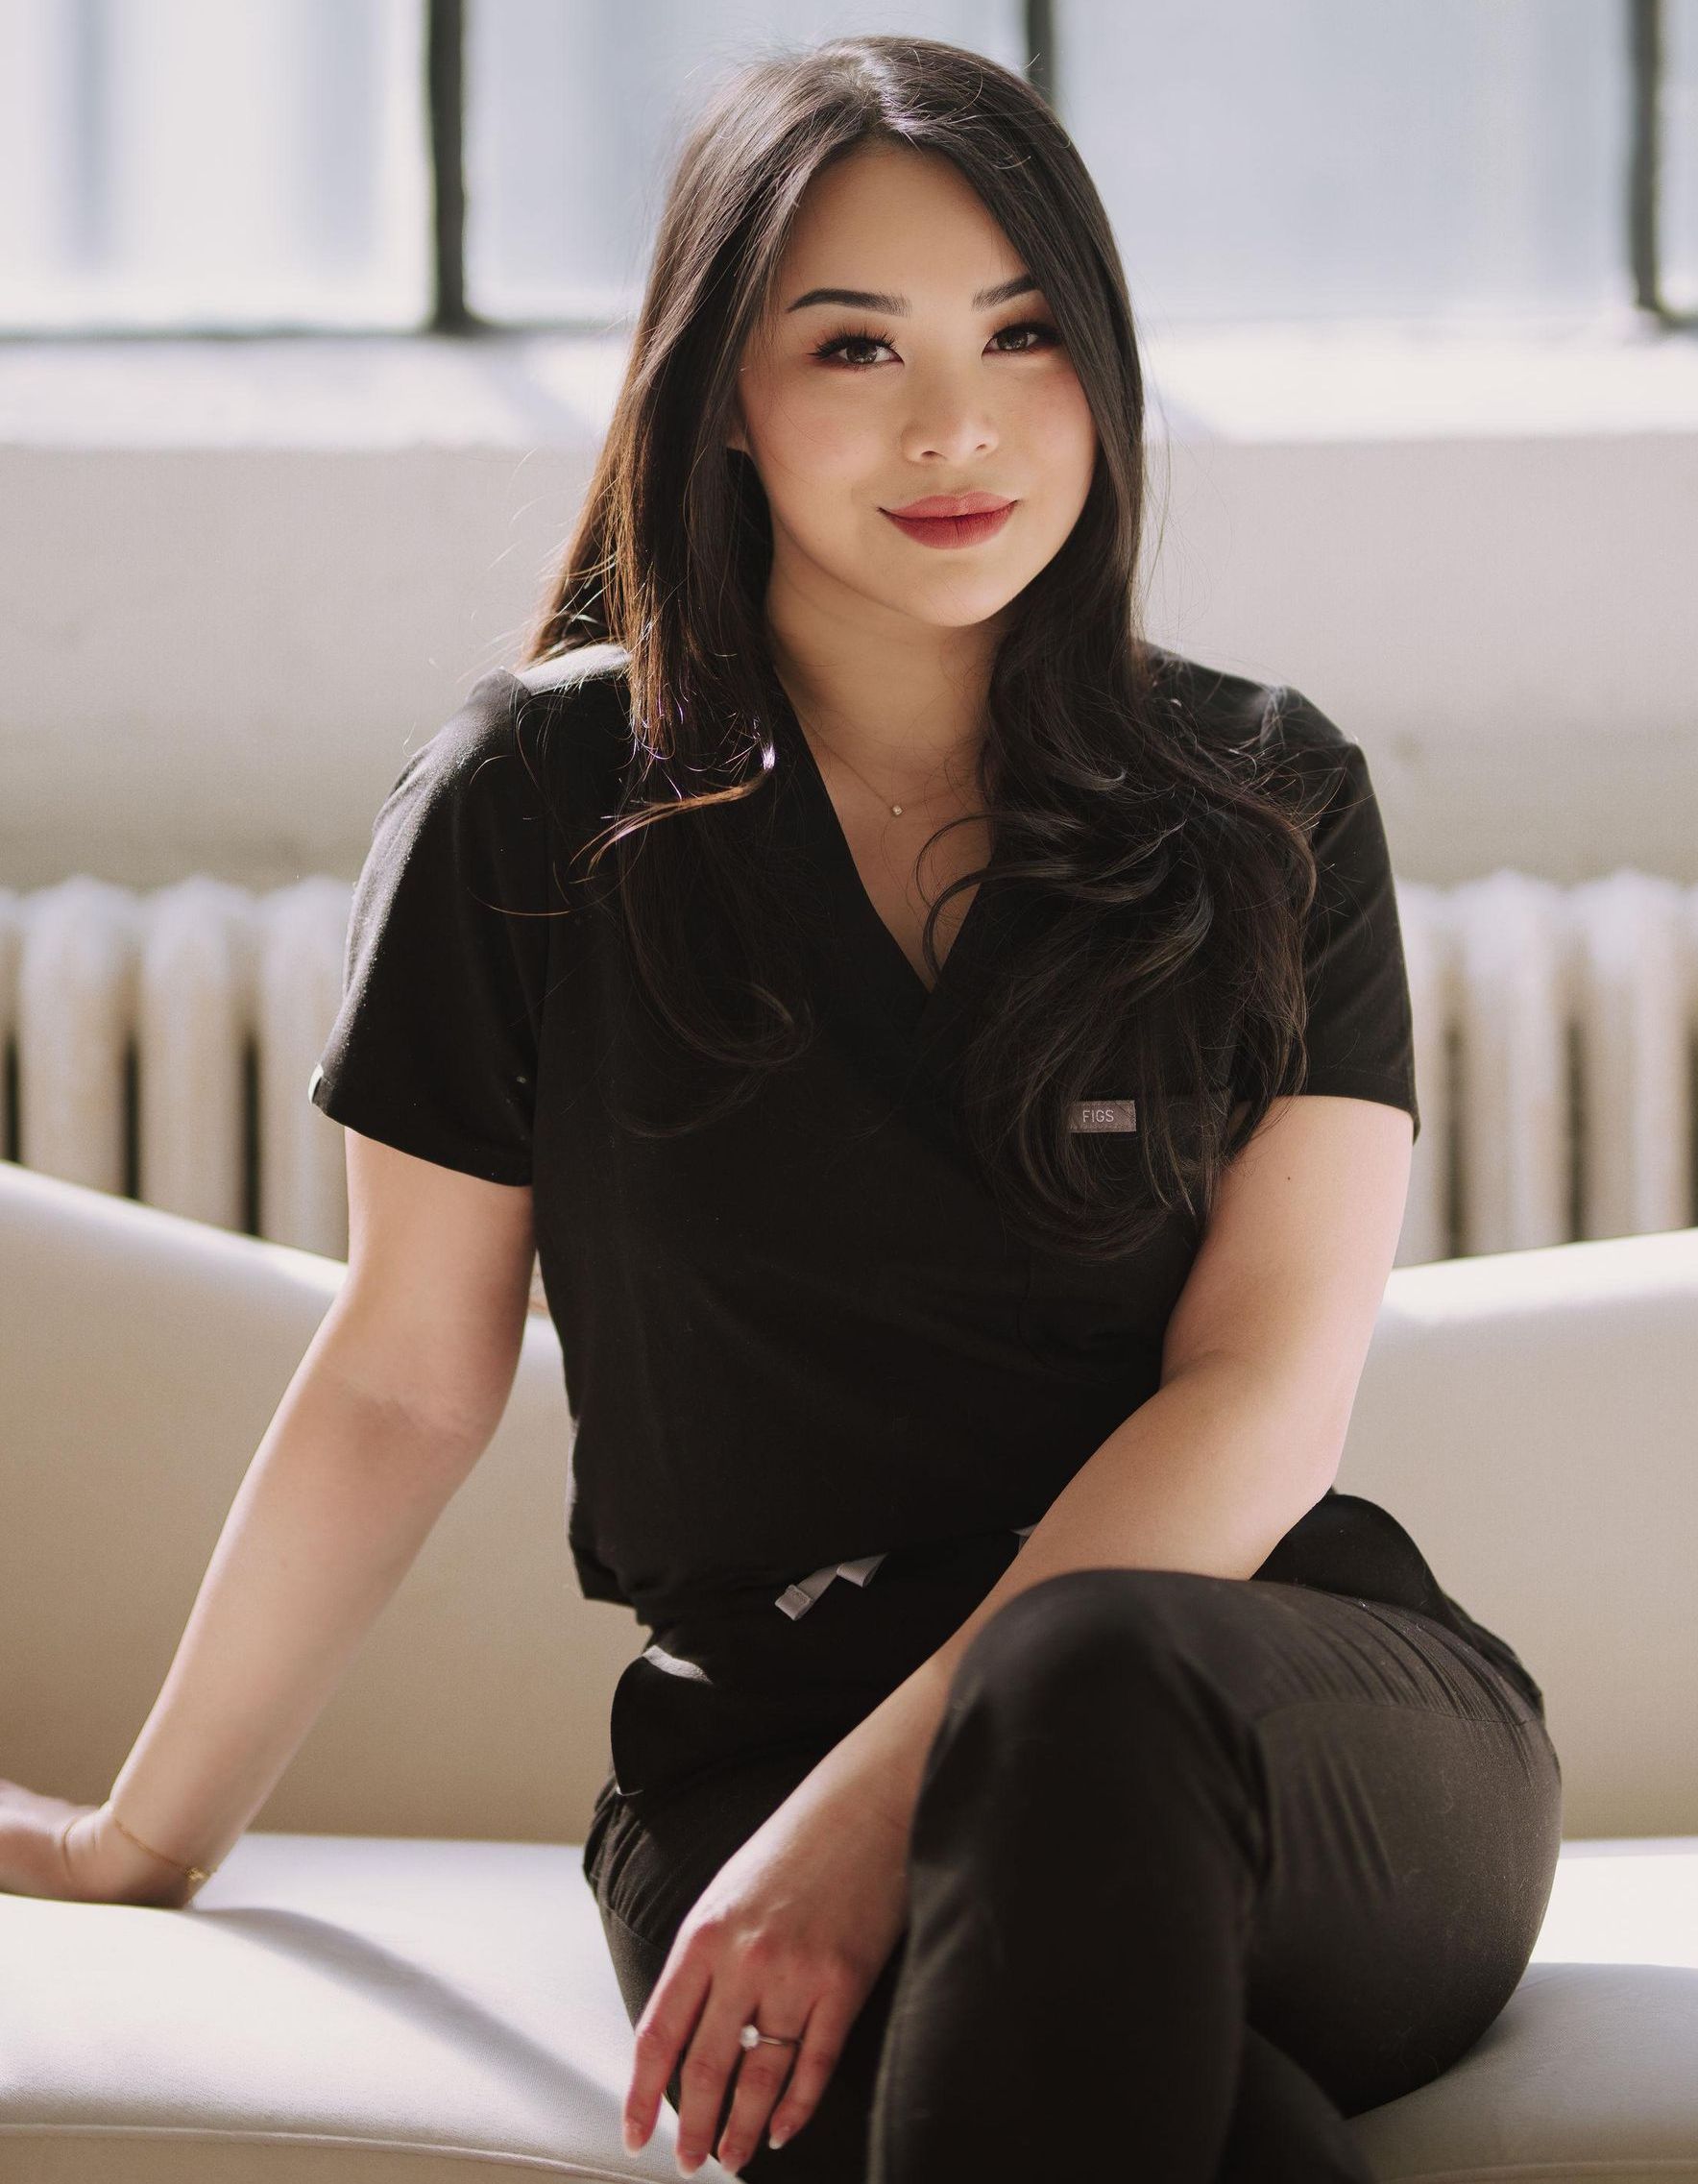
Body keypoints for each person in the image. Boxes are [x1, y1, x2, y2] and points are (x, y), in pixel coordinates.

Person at [0, 33, 1561, 2184]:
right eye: (856, 345)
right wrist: (141, 1833)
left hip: (1277, 1725)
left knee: (1086, 1685)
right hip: (758, 1748)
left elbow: (1264, 1403)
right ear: (719, 385)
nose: (959, 425)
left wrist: (876, 1813)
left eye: (1028, 337)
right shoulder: (532, 813)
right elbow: (402, 1375)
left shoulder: (1268, 805)